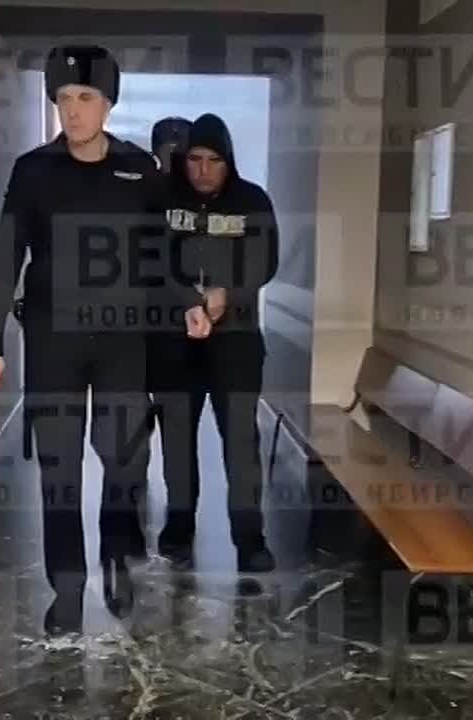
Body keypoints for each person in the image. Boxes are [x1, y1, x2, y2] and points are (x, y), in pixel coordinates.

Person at [0, 44, 159, 635]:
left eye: (85, 97)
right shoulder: (34, 170)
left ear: (107, 103)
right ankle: (68, 587)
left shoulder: (140, 169)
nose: (72, 110)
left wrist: (187, 307)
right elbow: (6, 254)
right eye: (62, 99)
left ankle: (116, 555)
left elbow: (161, 255)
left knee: (123, 457)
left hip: (123, 340)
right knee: (60, 465)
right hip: (54, 338)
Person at [148, 113, 280, 583]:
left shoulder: (252, 201)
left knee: (241, 440)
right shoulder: (163, 201)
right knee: (177, 439)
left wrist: (228, 295)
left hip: (236, 342)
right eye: (195, 160)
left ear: (229, 161)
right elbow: (152, 260)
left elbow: (265, 261)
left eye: (214, 161)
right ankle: (179, 528)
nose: (203, 170)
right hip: (174, 341)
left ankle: (250, 539)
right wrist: (189, 301)